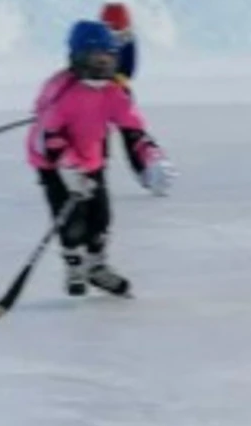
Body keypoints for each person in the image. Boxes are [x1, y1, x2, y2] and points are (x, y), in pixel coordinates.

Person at [27, 20, 175, 298]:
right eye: (96, 58)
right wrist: (68, 167)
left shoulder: (112, 92)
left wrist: (150, 155)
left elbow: (132, 128)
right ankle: (74, 265)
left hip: (91, 159)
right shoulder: (62, 91)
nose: (102, 65)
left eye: (108, 58)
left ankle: (96, 267)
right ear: (79, 56)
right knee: (71, 218)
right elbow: (46, 138)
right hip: (52, 164)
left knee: (101, 215)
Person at [99, 1, 157, 188]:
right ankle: (95, 173)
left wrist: (116, 79)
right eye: (111, 31)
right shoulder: (96, 41)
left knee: (131, 134)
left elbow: (129, 70)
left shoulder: (129, 41)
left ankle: (144, 169)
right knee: (96, 136)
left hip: (119, 95)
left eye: (119, 31)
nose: (116, 37)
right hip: (96, 96)